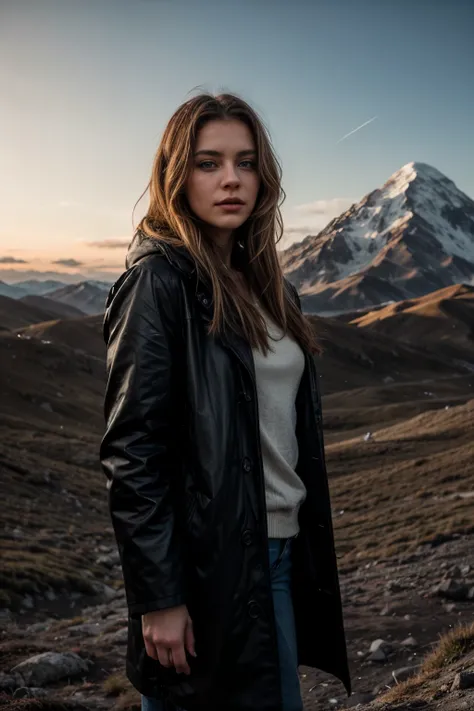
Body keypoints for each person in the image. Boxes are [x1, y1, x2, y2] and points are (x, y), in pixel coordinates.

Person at [100, 92, 350, 711]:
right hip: (207, 566)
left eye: (245, 161)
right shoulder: (158, 283)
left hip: (277, 554)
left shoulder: (270, 283)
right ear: (175, 174)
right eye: (208, 162)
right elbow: (134, 451)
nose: (231, 179)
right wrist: (159, 598)